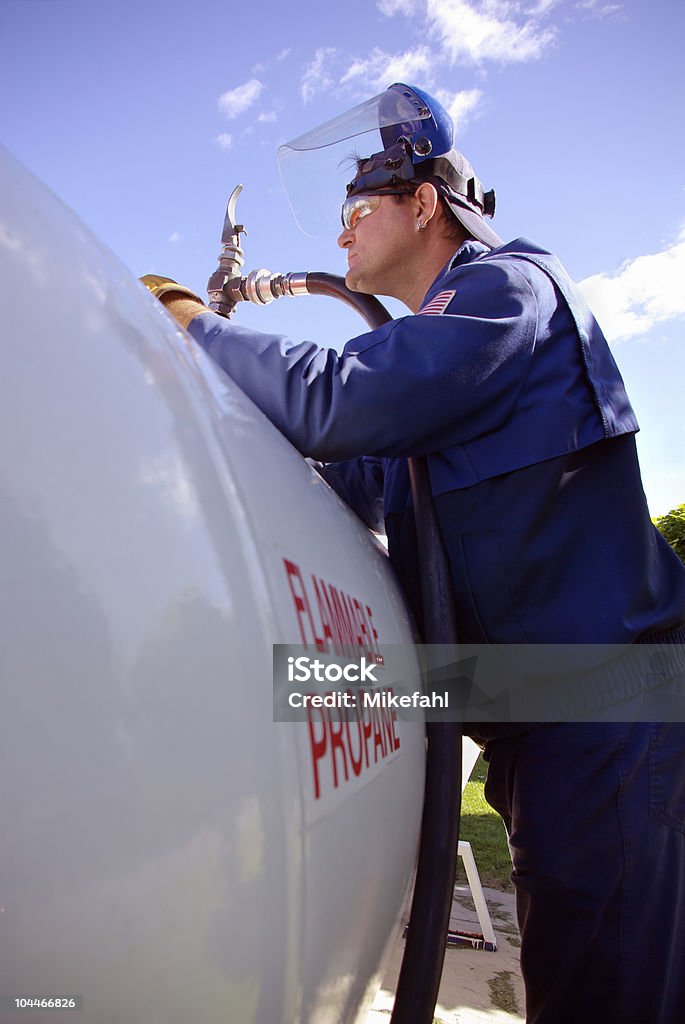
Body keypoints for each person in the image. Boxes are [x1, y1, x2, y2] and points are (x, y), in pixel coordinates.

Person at [144, 84, 685, 1023]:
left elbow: (339, 402)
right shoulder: (437, 391)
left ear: (424, 203)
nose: (341, 238)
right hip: (538, 722)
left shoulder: (505, 289)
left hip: (609, 715)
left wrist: (194, 324)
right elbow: (343, 476)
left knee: (605, 995)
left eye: (355, 210)